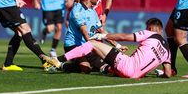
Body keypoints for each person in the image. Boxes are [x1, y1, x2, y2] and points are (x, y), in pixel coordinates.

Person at [41, 17, 172, 79]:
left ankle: (58, 60)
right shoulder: (167, 52)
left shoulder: (151, 34)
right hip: (137, 75)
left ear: (151, 28)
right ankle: (105, 68)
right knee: (103, 65)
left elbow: (125, 36)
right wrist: (160, 74)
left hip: (126, 66)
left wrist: (104, 35)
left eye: (147, 27)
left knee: (92, 44)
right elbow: (168, 73)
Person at [60, 0, 127, 73]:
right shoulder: (77, 11)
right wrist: (98, 46)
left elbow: (102, 31)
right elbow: (86, 35)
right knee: (86, 68)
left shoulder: (92, 11)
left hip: (88, 45)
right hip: (73, 46)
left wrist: (118, 46)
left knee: (106, 67)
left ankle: (93, 65)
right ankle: (61, 65)